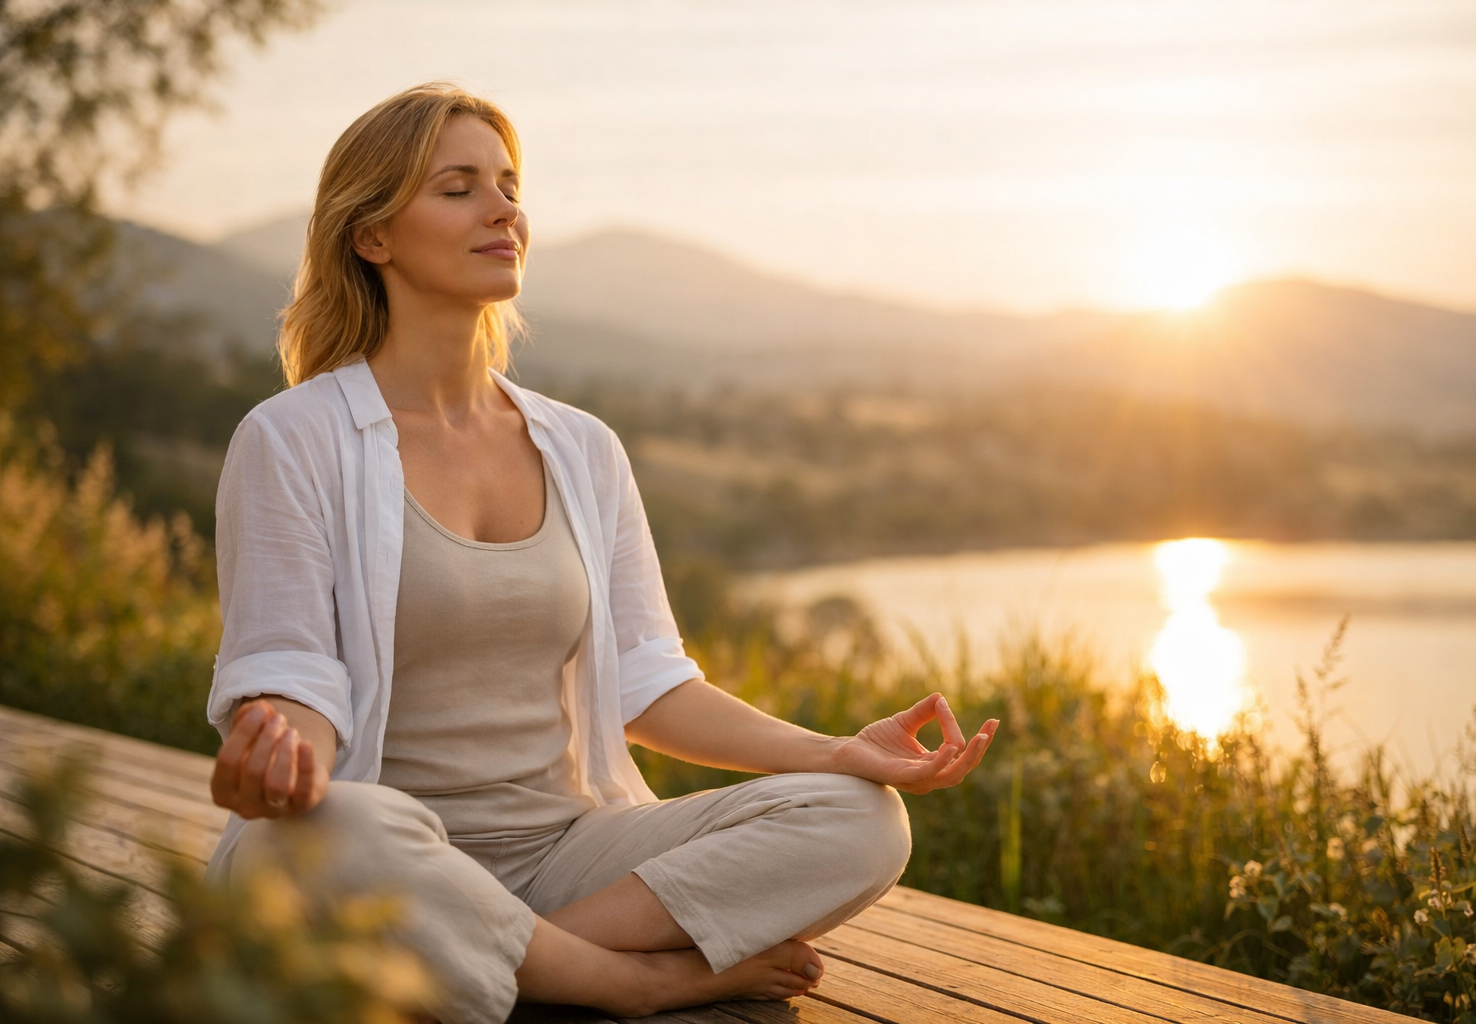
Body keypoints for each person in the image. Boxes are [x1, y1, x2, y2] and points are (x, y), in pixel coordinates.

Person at [203, 81, 999, 1024]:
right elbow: (291, 669)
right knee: (312, 831)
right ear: (371, 236)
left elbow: (650, 682)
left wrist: (837, 753)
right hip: (386, 844)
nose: (505, 210)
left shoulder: (580, 447)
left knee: (860, 817)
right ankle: (626, 981)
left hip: (567, 855)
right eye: (457, 188)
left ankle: (504, 957)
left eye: (507, 185)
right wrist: (285, 759)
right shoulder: (292, 436)